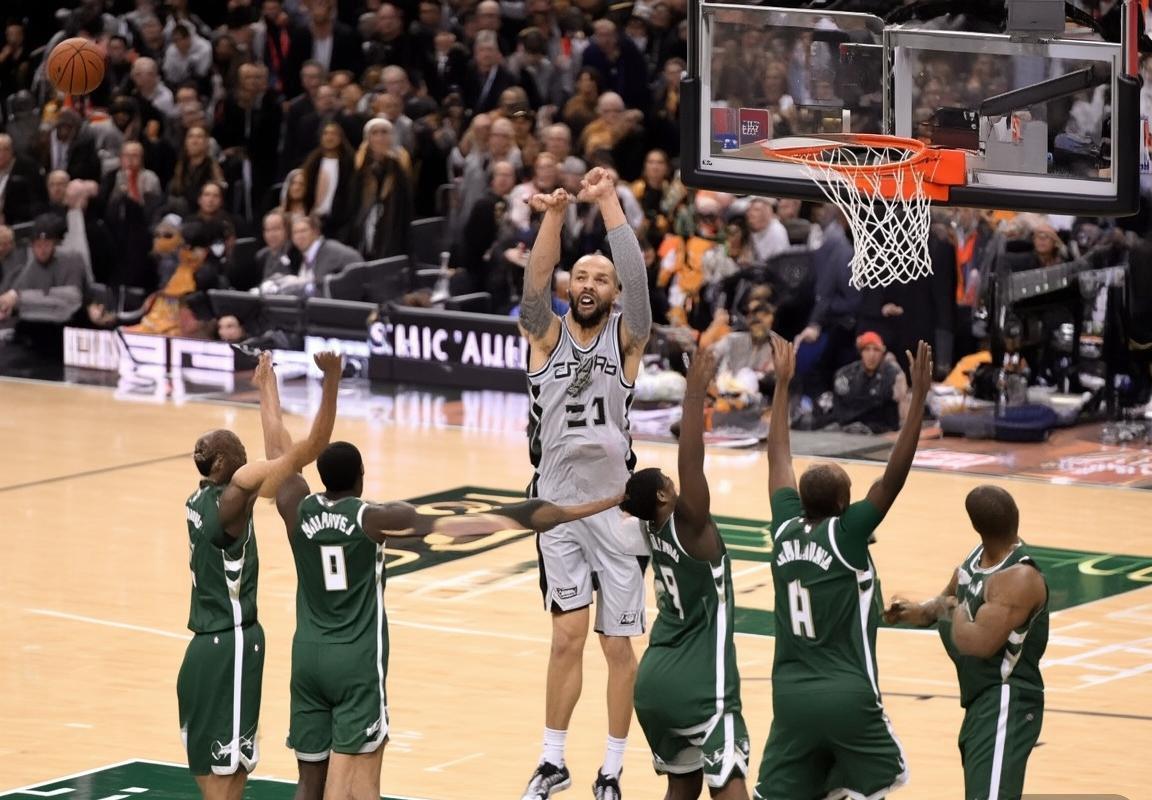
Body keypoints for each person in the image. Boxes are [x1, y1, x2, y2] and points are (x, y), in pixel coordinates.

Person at [257, 364, 625, 800]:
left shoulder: (296, 506)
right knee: (350, 780)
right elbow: (467, 526)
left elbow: (279, 449)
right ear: (361, 477)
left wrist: (268, 388)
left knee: (309, 780)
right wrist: (590, 506)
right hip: (355, 660)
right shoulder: (374, 518)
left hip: (306, 656)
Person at [518, 166, 653, 800]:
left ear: (614, 291)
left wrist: (607, 202)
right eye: (582, 276)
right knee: (566, 637)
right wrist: (553, 214)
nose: (590, 284)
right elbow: (533, 287)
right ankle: (553, 761)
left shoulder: (626, 339)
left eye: (602, 278)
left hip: (615, 513)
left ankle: (612, 768)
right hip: (557, 509)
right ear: (570, 286)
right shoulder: (545, 337)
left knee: (616, 647)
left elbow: (642, 287)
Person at [752, 336, 933, 800]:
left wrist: (783, 384)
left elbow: (778, 458)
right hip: (848, 695)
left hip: (789, 698)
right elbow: (894, 475)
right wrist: (917, 401)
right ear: (841, 505)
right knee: (880, 783)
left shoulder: (784, 527)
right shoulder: (847, 534)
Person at [178, 350, 343, 799]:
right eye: (239, 453)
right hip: (240, 642)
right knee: (235, 771)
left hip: (205, 643)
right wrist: (331, 381)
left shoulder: (198, 501)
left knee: (211, 766)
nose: (248, 455)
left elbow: (277, 454)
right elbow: (305, 449)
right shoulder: (243, 496)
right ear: (224, 465)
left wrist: (266, 387)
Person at [626, 347, 751, 799]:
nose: (674, 482)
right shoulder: (692, 527)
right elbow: (692, 462)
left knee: (681, 791)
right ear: (663, 497)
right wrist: (695, 391)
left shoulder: (649, 527)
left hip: (653, 687)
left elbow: (635, 495)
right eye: (667, 482)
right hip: (700, 687)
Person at [884, 486, 1048, 800]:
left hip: (1006, 699)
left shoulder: (1019, 578)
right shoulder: (976, 559)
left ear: (974, 524)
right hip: (979, 701)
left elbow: (977, 644)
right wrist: (910, 611)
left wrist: (954, 608)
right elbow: (939, 605)